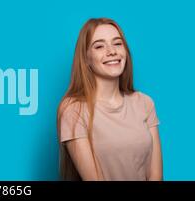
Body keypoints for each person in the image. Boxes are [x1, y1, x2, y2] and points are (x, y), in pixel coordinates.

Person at [57, 18, 162, 181]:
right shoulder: (73, 109)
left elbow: (156, 176)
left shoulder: (145, 103)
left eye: (117, 43)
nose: (112, 51)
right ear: (86, 58)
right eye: (99, 46)